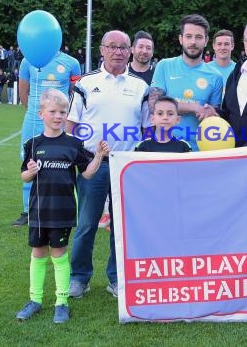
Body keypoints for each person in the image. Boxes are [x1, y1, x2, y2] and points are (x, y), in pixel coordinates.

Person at [67, 30, 149, 299]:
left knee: (122, 226)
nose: (117, 52)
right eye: (112, 47)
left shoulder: (140, 87)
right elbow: (72, 124)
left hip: (127, 167)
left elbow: (147, 129)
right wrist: (71, 158)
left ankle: (117, 278)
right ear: (101, 50)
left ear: (130, 51)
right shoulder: (86, 83)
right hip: (93, 163)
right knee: (87, 224)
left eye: (123, 47)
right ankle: (79, 277)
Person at [15, 89, 109, 324]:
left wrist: (97, 156)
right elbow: (24, 177)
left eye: (63, 112)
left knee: (58, 254)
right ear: (41, 114)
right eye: (53, 111)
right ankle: (34, 300)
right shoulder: (33, 144)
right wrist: (30, 172)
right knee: (37, 253)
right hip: (39, 211)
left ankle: (61, 301)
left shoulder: (74, 144)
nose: (58, 116)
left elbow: (86, 174)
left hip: (63, 211)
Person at [12, 51, 81, 226]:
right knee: (29, 163)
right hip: (34, 120)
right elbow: (23, 93)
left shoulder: (72, 63)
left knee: (62, 165)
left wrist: (59, 117)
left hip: (60, 122)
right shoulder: (28, 61)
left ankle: (63, 209)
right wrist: (40, 115)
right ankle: (28, 211)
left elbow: (75, 96)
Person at [149, 14, 223, 151]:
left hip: (199, 151)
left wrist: (210, 113)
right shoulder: (164, 66)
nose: (193, 42)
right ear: (181, 39)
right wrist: (194, 107)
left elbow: (215, 115)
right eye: (188, 36)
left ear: (206, 40)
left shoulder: (216, 77)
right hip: (165, 149)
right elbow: (154, 106)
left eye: (199, 37)